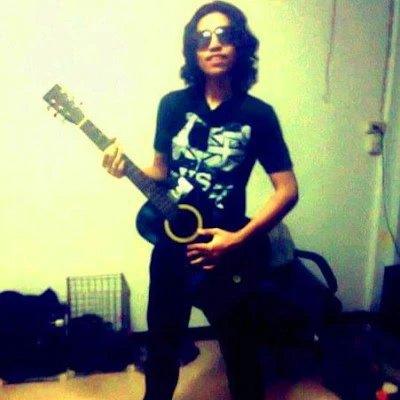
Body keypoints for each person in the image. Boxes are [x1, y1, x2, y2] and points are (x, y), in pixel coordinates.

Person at [102, 1, 298, 399]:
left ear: (240, 45)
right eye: (203, 37)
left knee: (240, 350)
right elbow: (161, 171)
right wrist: (125, 168)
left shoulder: (258, 115)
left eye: (225, 35)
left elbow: (287, 190)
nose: (214, 44)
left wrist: (237, 239)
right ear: (192, 49)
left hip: (227, 251)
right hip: (172, 246)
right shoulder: (173, 105)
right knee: (161, 345)